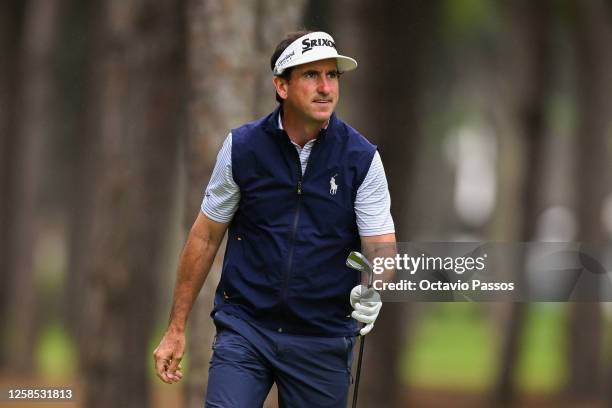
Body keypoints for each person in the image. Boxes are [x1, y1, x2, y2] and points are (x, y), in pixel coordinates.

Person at [153, 30, 396, 407]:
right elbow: (205, 236)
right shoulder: (243, 148)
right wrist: (176, 328)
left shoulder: (361, 159)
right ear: (281, 86)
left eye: (332, 76)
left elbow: (381, 245)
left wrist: (374, 288)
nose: (325, 87)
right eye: (311, 76)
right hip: (246, 328)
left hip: (323, 338)